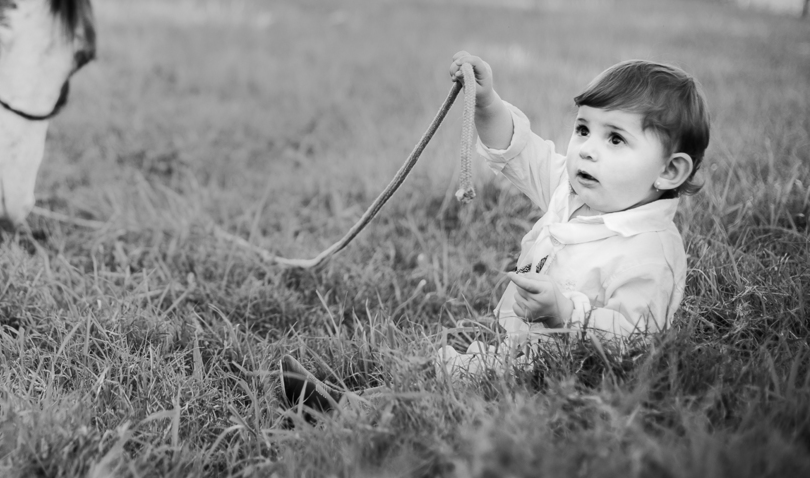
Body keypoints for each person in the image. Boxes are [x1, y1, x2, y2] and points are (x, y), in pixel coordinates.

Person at [281, 51, 711, 413]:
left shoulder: (649, 254)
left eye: (615, 139)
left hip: (570, 382)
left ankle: (359, 411)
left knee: (453, 387)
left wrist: (567, 311)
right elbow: (523, 153)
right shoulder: (572, 189)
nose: (588, 150)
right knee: (443, 367)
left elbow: (636, 341)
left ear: (670, 171)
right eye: (583, 129)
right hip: (522, 350)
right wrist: (486, 104)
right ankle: (352, 400)